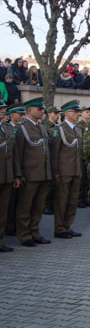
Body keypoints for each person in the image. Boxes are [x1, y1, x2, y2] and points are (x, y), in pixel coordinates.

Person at [15, 97, 52, 246]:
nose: (42, 111)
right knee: (25, 206)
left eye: (42, 109)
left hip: (43, 173)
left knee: (38, 206)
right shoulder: (21, 127)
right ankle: (24, 235)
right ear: (29, 110)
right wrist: (19, 174)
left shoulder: (41, 127)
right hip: (29, 174)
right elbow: (18, 154)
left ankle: (35, 232)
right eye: (39, 109)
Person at [51, 100, 84, 239]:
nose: (79, 114)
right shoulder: (58, 130)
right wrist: (55, 172)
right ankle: (59, 228)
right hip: (64, 171)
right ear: (67, 113)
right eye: (76, 112)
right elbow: (54, 154)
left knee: (72, 200)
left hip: (76, 170)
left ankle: (67, 226)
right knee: (62, 201)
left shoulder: (77, 129)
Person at [0, 99, 21, 252]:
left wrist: (16, 175)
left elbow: (14, 154)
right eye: (0, 108)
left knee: (3, 210)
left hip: (7, 175)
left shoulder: (7, 128)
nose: (3, 110)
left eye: (3, 108)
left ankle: (0, 241)